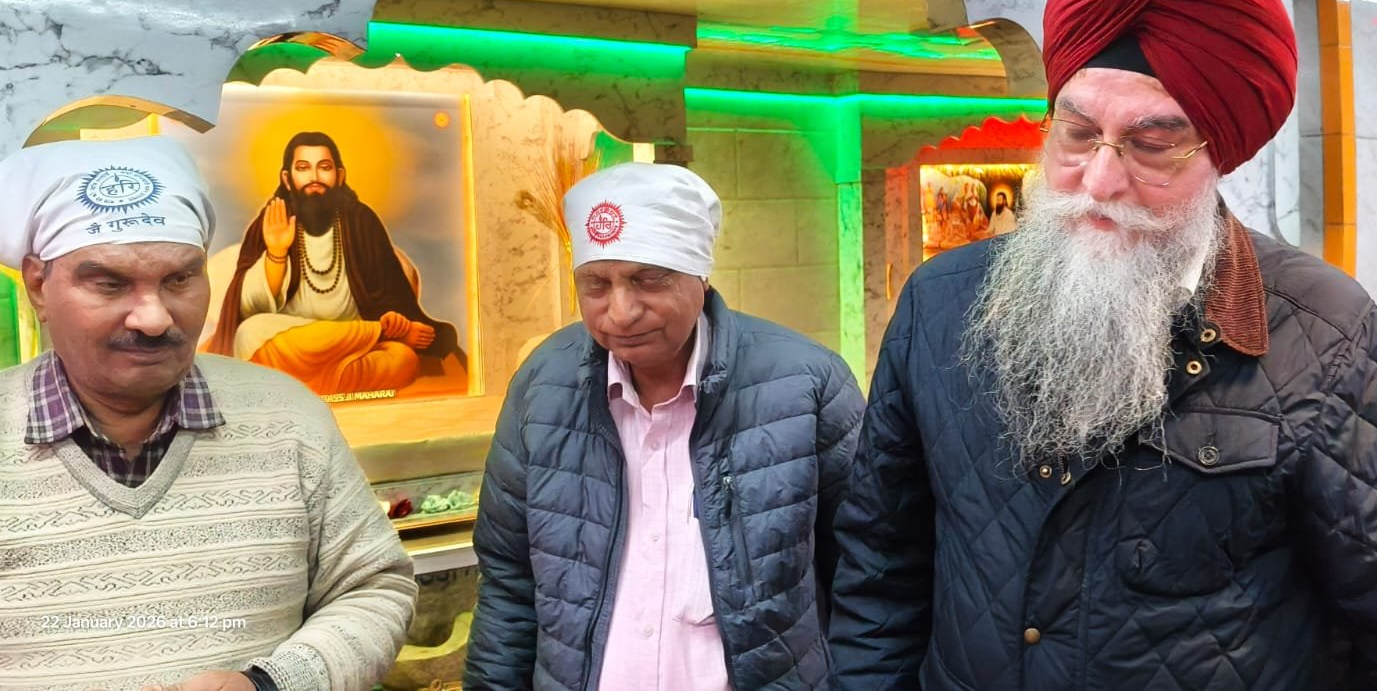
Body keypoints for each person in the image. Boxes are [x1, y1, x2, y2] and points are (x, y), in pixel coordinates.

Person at [827, 0, 1377, 688]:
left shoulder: (1323, 331)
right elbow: (880, 574)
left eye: (1151, 144)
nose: (1099, 182)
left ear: (1219, 153)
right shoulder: (938, 303)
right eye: (1077, 134)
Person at [0, 136, 416, 691]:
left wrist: (271, 684)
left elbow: (374, 586)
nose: (153, 318)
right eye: (110, 284)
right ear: (38, 286)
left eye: (179, 279)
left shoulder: (290, 418)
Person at [464, 162, 864, 689]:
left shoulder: (803, 385)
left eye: (648, 280)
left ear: (701, 275)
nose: (621, 312)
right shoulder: (544, 387)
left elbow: (866, 569)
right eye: (596, 285)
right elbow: (509, 584)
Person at [208, 131, 459, 395]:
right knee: (249, 332)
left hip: (351, 348)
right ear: (287, 178)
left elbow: (389, 295)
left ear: (339, 175)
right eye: (303, 168)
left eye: (324, 167)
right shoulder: (272, 221)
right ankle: (364, 343)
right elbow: (248, 308)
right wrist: (276, 252)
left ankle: (299, 386)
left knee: (402, 359)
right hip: (293, 336)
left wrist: (394, 320)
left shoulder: (361, 222)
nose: (314, 177)